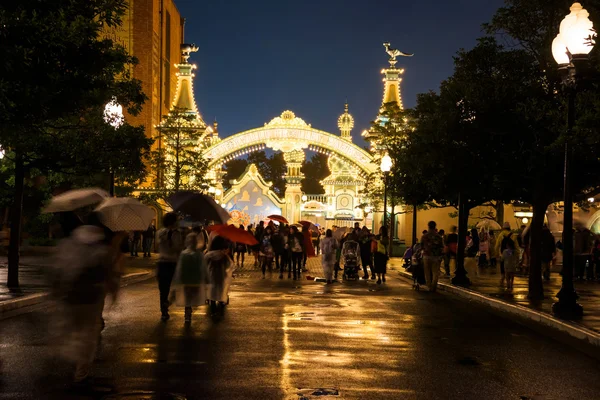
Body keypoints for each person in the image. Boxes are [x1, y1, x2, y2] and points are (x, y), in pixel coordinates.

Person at [52, 213, 121, 388]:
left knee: (73, 329)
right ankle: (81, 371)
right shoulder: (101, 246)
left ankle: (72, 358)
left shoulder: (68, 244)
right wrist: (114, 293)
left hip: (71, 296)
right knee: (89, 334)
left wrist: (55, 293)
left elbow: (58, 269)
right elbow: (108, 272)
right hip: (92, 297)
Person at [171, 233, 207, 324]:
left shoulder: (184, 254)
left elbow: (180, 268)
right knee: (192, 297)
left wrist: (178, 280)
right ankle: (188, 311)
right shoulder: (199, 254)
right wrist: (205, 279)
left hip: (186, 280)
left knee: (188, 297)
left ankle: (187, 312)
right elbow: (203, 268)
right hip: (195, 280)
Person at [157, 212, 183, 321]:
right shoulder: (175, 233)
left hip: (163, 262)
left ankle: (164, 309)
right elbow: (178, 248)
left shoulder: (160, 233)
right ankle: (166, 306)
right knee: (174, 286)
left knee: (165, 289)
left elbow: (157, 245)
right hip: (171, 262)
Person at [206, 235, 234, 316]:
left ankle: (213, 310)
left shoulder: (209, 255)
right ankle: (221, 306)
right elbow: (230, 265)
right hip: (221, 275)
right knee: (221, 290)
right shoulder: (223, 255)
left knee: (212, 292)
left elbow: (204, 264)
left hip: (211, 275)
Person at [420, 221, 444, 292]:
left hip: (426, 255)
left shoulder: (424, 236)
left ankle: (429, 285)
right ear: (435, 226)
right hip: (436, 256)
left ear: (428, 226)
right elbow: (441, 246)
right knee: (435, 272)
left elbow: (421, 246)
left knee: (427, 272)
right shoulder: (438, 237)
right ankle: (434, 286)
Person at [495, 222, 517, 286]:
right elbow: (517, 247)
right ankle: (511, 282)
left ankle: (503, 279)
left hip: (503, 254)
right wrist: (517, 256)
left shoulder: (501, 235)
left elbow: (496, 246)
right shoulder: (513, 235)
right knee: (512, 271)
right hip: (512, 255)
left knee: (504, 269)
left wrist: (496, 254)